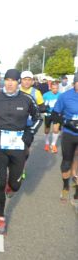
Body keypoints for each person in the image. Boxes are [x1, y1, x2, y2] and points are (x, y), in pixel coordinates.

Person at [0, 69, 42, 234]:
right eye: (7, 80)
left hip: (18, 145)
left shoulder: (27, 99)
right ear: (4, 81)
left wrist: (30, 133)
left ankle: (12, 186)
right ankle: (1, 217)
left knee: (15, 184)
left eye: (13, 80)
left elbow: (38, 118)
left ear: (18, 82)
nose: (10, 83)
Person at [51, 73, 78, 206]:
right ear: (74, 83)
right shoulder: (65, 96)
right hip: (69, 134)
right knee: (67, 162)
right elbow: (55, 114)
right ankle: (66, 186)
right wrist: (66, 122)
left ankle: (77, 186)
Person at [19, 70, 46, 179]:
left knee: (25, 149)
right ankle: (13, 168)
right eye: (24, 79)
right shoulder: (15, 90)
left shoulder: (36, 92)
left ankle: (22, 168)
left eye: (29, 79)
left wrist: (39, 110)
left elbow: (42, 107)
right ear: (21, 80)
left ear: (32, 81)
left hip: (29, 125)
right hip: (14, 124)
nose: (26, 82)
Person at [42, 81, 61, 153]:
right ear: (51, 88)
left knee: (56, 130)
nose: (55, 90)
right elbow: (41, 105)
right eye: (53, 88)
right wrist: (45, 106)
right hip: (48, 114)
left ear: (58, 88)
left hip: (56, 114)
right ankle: (47, 143)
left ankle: (53, 144)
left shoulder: (61, 95)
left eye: (56, 88)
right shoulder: (45, 95)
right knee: (47, 130)